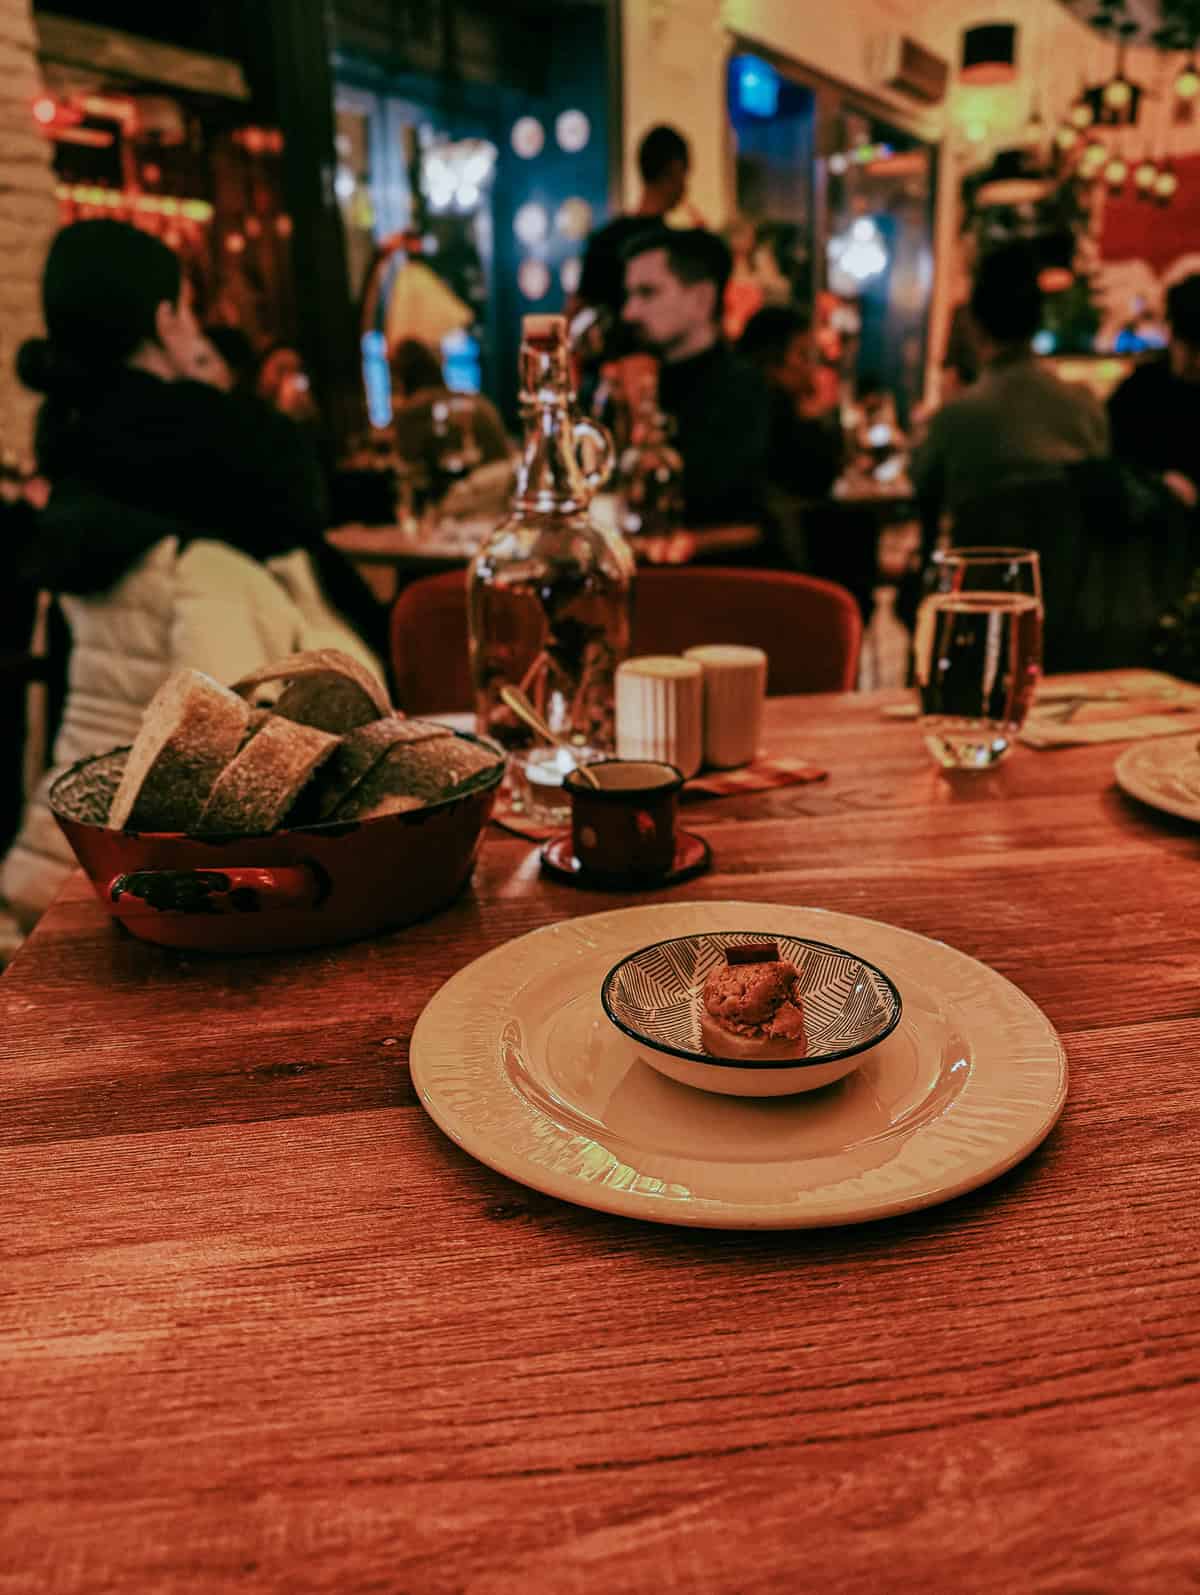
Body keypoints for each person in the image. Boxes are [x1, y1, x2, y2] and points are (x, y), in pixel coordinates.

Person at [1, 219, 384, 927]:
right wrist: (212, 383)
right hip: (178, 857)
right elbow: (299, 493)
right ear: (165, 318)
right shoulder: (232, 464)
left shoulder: (68, 453)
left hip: (66, 823)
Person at [913, 243, 1109, 522]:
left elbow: (922, 491)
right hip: (1061, 565)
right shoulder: (1084, 406)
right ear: (1038, 319)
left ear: (976, 324)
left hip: (979, 563)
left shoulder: (956, 417)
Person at [621, 227, 769, 528]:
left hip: (718, 568)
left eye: (647, 292)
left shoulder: (742, 389)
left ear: (702, 298)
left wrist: (640, 409)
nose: (629, 312)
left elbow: (710, 502)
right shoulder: (629, 378)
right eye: (630, 295)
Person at [575, 125, 691, 346]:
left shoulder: (605, 238)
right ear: (675, 170)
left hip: (611, 368)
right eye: (686, 174)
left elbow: (573, 310)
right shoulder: (672, 245)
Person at [1108, 274, 1200, 509]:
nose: (1196, 361)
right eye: (1190, 346)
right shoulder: (1140, 389)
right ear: (1172, 333)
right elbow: (1113, 462)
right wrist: (1158, 483)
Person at [738, 305, 842, 500]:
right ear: (770, 360)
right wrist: (813, 419)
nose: (810, 368)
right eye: (803, 355)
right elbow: (816, 483)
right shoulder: (767, 415)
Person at [389, 338, 510, 474]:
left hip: (472, 489)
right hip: (502, 484)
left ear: (401, 376)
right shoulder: (475, 399)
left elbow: (406, 465)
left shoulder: (416, 408)